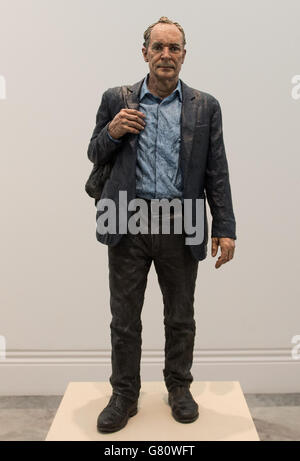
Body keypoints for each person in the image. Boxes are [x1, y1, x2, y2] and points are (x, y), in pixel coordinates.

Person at [87, 16, 236, 433]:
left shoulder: (205, 106)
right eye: (158, 47)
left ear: (184, 55)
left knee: (181, 316)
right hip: (126, 219)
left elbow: (216, 171)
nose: (166, 55)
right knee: (124, 317)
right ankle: (124, 395)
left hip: (182, 220)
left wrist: (225, 225)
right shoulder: (116, 99)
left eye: (174, 48)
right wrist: (113, 131)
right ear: (145, 53)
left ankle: (179, 388)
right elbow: (94, 152)